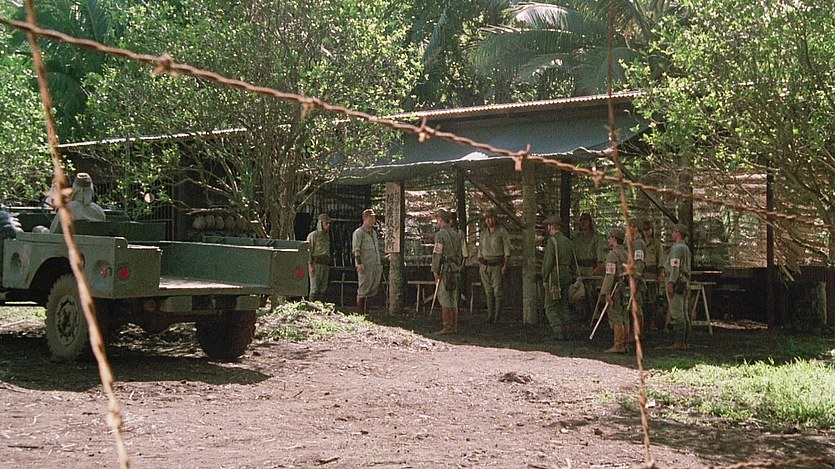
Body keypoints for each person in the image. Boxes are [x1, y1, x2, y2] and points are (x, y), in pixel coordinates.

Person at [541, 215, 576, 340]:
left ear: (552, 227)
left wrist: (545, 277)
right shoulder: (568, 242)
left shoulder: (552, 241)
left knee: (551, 305)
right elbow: (573, 261)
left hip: (555, 277)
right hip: (567, 275)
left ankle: (558, 330)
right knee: (563, 303)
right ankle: (568, 329)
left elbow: (548, 262)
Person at [432, 210, 463, 334]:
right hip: (455, 269)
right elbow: (460, 254)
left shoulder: (440, 235)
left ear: (440, 220)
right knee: (453, 298)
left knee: (444, 297)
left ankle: (447, 326)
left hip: (445, 270)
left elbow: (437, 253)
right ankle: (454, 326)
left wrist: (435, 270)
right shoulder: (457, 235)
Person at [477, 208, 511, 323]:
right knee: (488, 292)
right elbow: (480, 249)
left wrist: (505, 265)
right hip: (485, 265)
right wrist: (480, 265)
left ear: (495, 219)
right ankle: (490, 315)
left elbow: (507, 249)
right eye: (486, 219)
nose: (488, 221)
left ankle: (497, 317)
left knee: (497, 292)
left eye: (490, 218)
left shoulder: (502, 232)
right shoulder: (483, 233)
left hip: (497, 264)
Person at [572, 212, 607, 319]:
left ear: (590, 222)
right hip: (580, 268)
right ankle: (583, 314)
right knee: (580, 292)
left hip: (592, 268)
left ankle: (595, 314)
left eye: (585, 220)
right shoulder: (577, 239)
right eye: (581, 220)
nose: (583, 223)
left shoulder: (596, 238)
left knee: (593, 292)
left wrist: (598, 266)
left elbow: (600, 254)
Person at [599, 227, 629, 354]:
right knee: (625, 316)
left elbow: (610, 275)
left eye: (610, 238)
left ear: (614, 239)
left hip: (615, 289)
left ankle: (618, 345)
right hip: (626, 289)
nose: (609, 240)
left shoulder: (612, 256)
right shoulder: (626, 254)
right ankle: (625, 343)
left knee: (616, 316)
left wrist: (606, 293)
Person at [665, 223, 692, 350]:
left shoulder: (677, 249)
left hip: (677, 283)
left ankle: (679, 342)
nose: (672, 234)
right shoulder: (686, 248)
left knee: (677, 314)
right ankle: (685, 341)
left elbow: (675, 267)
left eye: (674, 231)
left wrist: (671, 282)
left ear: (678, 233)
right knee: (685, 313)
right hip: (684, 281)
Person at [352, 208, 382, 315]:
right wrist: (359, 263)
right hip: (365, 265)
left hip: (375, 264)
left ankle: (367, 313)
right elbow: (356, 250)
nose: (373, 220)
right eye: (371, 217)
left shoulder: (373, 233)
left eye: (374, 217)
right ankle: (360, 313)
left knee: (373, 289)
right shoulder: (359, 233)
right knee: (364, 289)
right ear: (365, 219)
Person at [641, 219, 666, 333]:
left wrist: (661, 274)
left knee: (653, 301)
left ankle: (652, 323)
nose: (646, 232)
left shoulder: (657, 244)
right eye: (644, 230)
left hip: (652, 275)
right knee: (642, 300)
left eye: (648, 229)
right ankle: (643, 324)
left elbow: (661, 261)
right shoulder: (640, 243)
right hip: (642, 275)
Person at [625, 219, 647, 343]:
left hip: (636, 279)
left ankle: (637, 334)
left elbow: (639, 262)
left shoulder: (638, 244)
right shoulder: (634, 242)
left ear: (635, 229)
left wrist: (636, 279)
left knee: (636, 307)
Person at [306, 213, 332, 302]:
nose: (328, 225)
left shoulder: (327, 236)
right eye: (326, 223)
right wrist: (310, 265)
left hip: (325, 264)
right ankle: (311, 305)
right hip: (316, 264)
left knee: (323, 288)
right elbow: (309, 251)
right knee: (314, 288)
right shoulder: (313, 235)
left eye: (329, 223)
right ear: (321, 223)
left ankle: (320, 306)